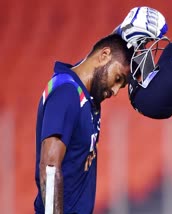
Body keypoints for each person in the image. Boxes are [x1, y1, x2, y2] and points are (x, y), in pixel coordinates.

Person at [34, 33, 134, 213]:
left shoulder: (86, 96)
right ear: (104, 56)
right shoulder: (66, 92)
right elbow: (49, 168)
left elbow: (102, 54)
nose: (116, 90)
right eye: (118, 78)